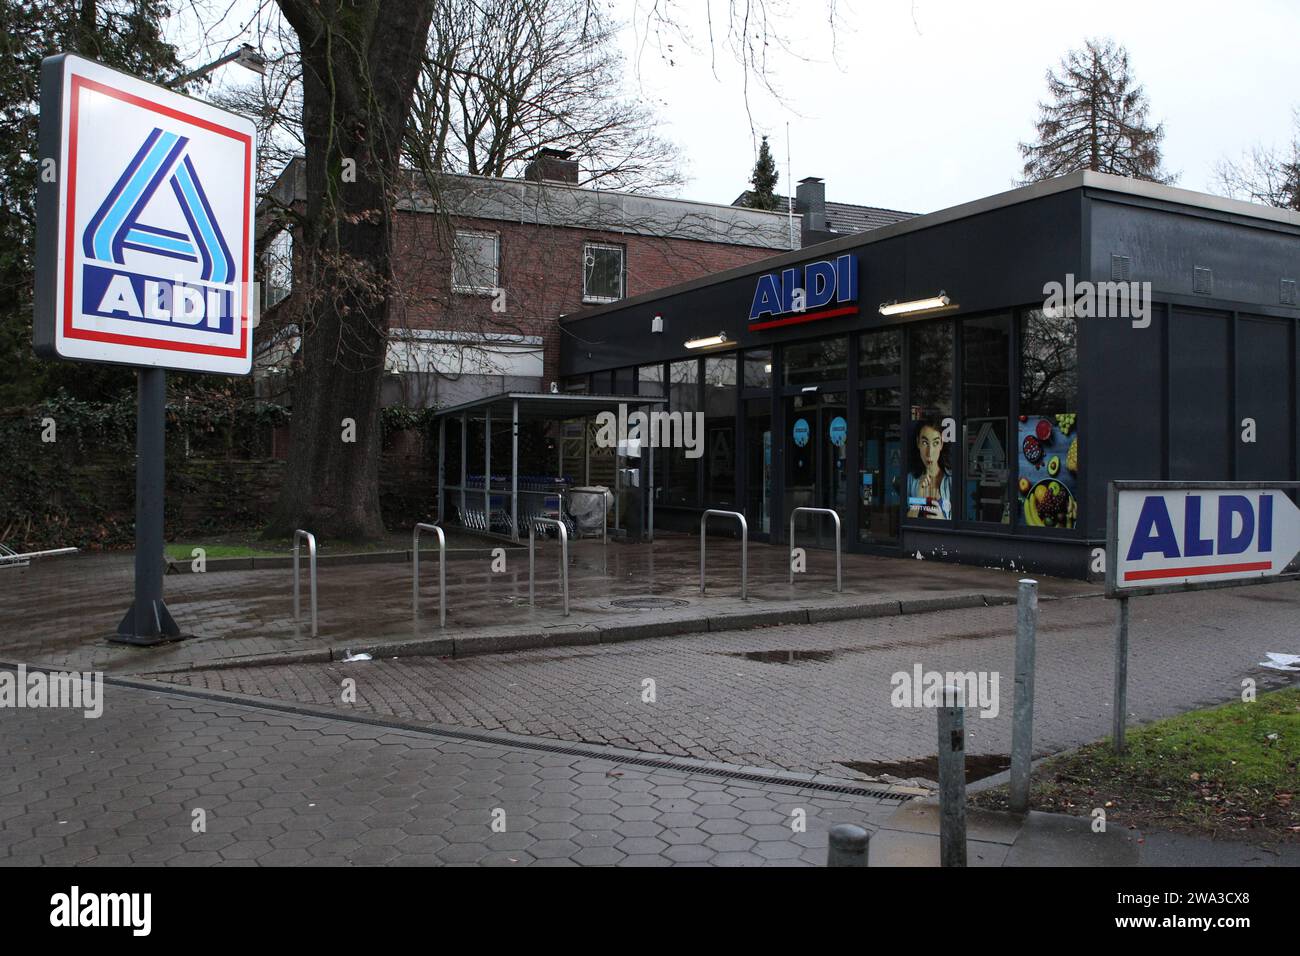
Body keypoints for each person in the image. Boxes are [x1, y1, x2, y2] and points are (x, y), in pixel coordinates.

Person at [907, 420, 951, 519]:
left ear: (941, 445)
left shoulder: (952, 480)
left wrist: (942, 519)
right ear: (918, 443)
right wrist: (918, 498)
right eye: (925, 443)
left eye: (935, 443)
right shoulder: (910, 480)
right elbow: (906, 522)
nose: (930, 453)